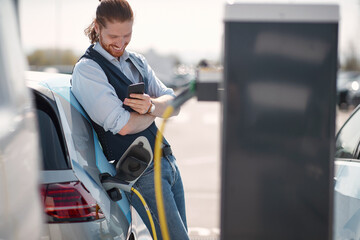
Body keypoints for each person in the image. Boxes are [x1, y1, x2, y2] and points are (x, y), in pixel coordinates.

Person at [71, 0, 189, 239]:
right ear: (97, 27)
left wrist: (152, 105)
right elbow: (123, 125)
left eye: (127, 35)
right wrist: (153, 110)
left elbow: (173, 104)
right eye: (114, 36)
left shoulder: (136, 60)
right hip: (143, 174)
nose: (120, 43)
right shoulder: (88, 70)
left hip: (168, 162)